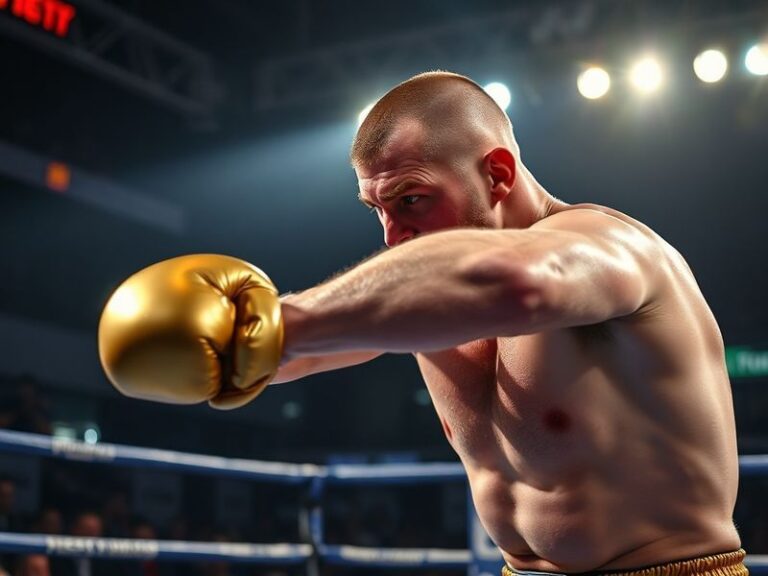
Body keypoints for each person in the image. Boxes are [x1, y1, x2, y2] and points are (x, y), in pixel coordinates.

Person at [98, 72, 744, 575]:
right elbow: (308, 348)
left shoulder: (610, 245)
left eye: (411, 199)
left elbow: (515, 283)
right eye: (376, 208)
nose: (392, 234)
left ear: (496, 173)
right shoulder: (432, 302)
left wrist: (287, 318)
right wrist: (234, 345)